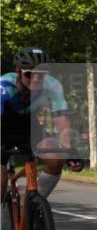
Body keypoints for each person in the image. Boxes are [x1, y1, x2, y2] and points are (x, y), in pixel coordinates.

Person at [1, 46, 83, 204]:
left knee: (55, 158)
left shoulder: (52, 85)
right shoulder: (4, 86)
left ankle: (30, 206)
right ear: (18, 71)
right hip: (2, 125)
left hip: (28, 125)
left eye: (41, 74)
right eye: (29, 74)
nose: (36, 79)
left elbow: (61, 120)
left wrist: (70, 149)